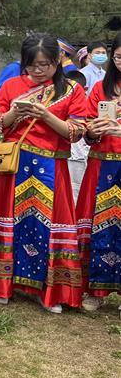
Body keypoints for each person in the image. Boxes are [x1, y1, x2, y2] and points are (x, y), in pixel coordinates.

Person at [0, 33, 87, 313]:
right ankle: (1, 282)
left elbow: (76, 131)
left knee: (45, 228)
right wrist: (15, 114)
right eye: (32, 64)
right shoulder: (12, 85)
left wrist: (46, 116)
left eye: (44, 64)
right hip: (14, 166)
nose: (38, 70)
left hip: (51, 167)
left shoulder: (71, 89)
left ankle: (46, 289)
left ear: (57, 62)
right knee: (10, 223)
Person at [77, 30, 121, 312]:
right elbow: (87, 129)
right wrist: (92, 130)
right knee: (98, 226)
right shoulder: (100, 89)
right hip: (101, 162)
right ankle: (95, 289)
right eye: (118, 57)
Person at [65, 70, 90, 199]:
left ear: (85, 89)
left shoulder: (90, 103)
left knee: (78, 190)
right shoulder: (62, 101)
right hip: (70, 154)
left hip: (82, 155)